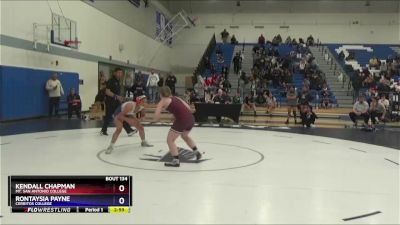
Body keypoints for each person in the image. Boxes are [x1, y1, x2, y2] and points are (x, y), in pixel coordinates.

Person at [154, 86, 202, 167]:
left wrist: (157, 119)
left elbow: (156, 116)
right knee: (184, 135)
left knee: (170, 140)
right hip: (190, 118)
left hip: (182, 120)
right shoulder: (176, 97)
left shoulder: (162, 101)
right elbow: (188, 108)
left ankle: (176, 161)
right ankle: (196, 152)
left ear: (160, 94)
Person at [101, 68, 136, 136]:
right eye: (118, 72)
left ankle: (129, 130)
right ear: (114, 73)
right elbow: (107, 92)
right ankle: (103, 130)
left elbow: (116, 93)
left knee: (121, 115)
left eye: (121, 73)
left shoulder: (118, 81)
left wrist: (121, 98)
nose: (120, 74)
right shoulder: (111, 81)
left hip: (116, 103)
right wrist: (116, 97)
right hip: (110, 103)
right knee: (108, 117)